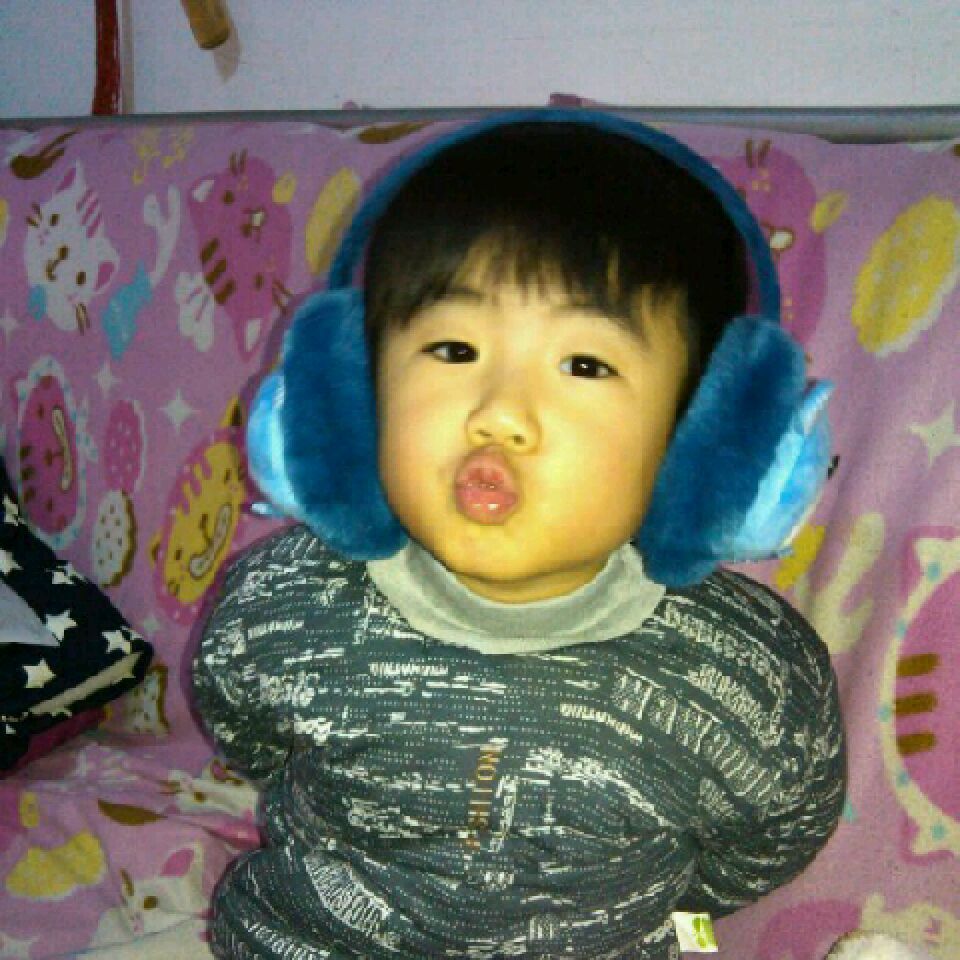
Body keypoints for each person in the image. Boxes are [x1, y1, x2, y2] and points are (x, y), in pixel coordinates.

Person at [193, 111, 846, 959]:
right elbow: (243, 730)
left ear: (708, 446)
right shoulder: (282, 604)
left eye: (585, 365)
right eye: (453, 348)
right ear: (352, 397)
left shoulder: (752, 677)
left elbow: (768, 841)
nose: (500, 413)